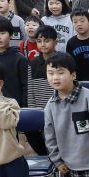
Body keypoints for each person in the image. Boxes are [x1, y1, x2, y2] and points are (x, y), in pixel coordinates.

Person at [25, 25, 59, 156]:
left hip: (58, 109)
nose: (43, 44)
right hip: (40, 109)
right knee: (42, 138)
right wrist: (33, 111)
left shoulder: (62, 60)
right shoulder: (32, 63)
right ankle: (47, 159)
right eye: (39, 41)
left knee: (57, 139)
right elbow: (30, 90)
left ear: (55, 42)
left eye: (47, 40)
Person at [0, 16, 28, 107]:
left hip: (15, 105)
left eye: (2, 33)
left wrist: (24, 107)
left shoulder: (19, 58)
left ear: (11, 35)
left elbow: (26, 86)